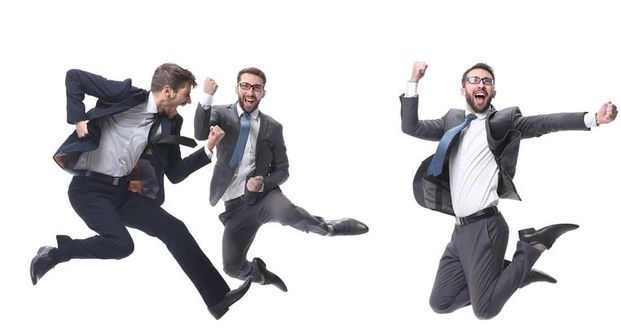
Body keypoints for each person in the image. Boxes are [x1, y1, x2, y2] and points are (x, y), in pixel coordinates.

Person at [33, 64, 251, 319]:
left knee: (174, 229)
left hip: (123, 192)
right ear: (167, 90)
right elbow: (74, 77)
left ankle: (217, 299)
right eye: (185, 95)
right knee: (122, 245)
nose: (188, 100)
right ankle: (56, 253)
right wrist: (78, 117)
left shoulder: (171, 123)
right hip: (88, 190)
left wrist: (208, 149)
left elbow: (175, 173)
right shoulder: (126, 95)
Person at [402, 62, 617, 319]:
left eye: (487, 81)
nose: (481, 84)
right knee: (441, 302)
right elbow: (410, 127)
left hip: (486, 227)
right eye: (474, 80)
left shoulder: (503, 122)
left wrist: (593, 118)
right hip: (460, 232)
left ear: (493, 92)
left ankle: (533, 246)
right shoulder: (451, 121)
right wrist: (413, 80)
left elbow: (545, 123)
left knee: (485, 310)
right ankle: (513, 276)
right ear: (463, 90)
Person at [193, 67, 370, 292]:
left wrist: (263, 183)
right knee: (231, 267)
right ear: (237, 88)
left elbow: (283, 171)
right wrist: (207, 96)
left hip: (263, 197)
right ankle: (261, 274)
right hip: (234, 207)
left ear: (263, 93)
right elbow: (200, 133)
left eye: (256, 88)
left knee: (287, 212)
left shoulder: (273, 127)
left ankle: (329, 228)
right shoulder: (221, 114)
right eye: (245, 85)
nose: (250, 92)